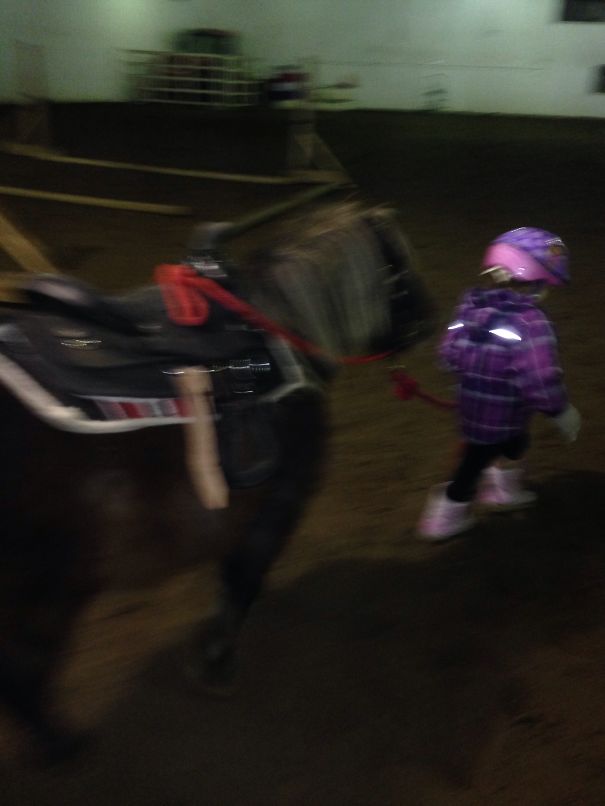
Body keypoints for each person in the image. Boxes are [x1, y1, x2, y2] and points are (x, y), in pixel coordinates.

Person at [417, 226, 581, 542]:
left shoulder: (469, 305)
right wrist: (560, 411)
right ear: (540, 282)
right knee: (475, 462)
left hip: (471, 407)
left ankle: (502, 490)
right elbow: (540, 377)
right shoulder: (532, 322)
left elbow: (447, 353)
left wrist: (472, 366)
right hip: (505, 412)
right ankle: (446, 516)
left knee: (512, 444)